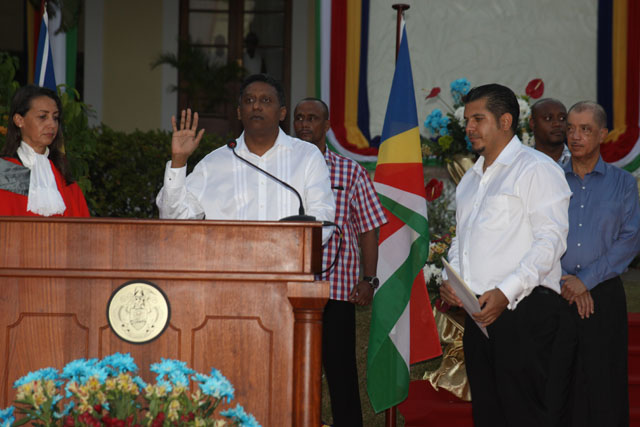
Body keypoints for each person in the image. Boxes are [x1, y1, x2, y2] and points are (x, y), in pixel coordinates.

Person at [439, 84, 574, 426]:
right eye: (467, 120)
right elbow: (462, 240)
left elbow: (550, 241)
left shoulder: (536, 168)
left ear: (505, 121)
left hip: (526, 310)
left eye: (478, 119)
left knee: (526, 415)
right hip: (479, 315)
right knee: (488, 413)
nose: (469, 127)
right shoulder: (471, 179)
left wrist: (506, 291)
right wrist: (453, 279)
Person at [293, 98, 386, 427]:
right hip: (289, 289)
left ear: (327, 125)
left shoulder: (350, 171)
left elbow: (368, 227)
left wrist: (369, 279)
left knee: (341, 373)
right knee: (291, 370)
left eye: (312, 118)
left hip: (336, 289)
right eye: (299, 118)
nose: (305, 124)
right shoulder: (279, 168)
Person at [156, 74, 335, 242]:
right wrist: (178, 161)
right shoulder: (213, 164)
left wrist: (286, 248)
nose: (256, 106)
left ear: (282, 113)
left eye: (265, 100)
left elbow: (322, 220)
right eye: (249, 100)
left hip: (289, 263)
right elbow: (174, 219)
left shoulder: (307, 156)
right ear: (239, 112)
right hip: (227, 263)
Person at [560, 101, 640, 427]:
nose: (575, 136)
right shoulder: (550, 179)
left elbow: (630, 239)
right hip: (556, 292)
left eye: (585, 129)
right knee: (559, 383)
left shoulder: (623, 183)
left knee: (605, 384)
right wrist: (564, 279)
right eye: (570, 128)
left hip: (604, 294)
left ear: (603, 134)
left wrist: (586, 281)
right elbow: (536, 235)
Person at [0, 85, 89, 217]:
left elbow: (83, 226)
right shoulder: (4, 172)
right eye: (43, 117)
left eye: (55, 117)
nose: (52, 125)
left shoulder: (64, 178)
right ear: (19, 120)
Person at [530, 98, 570, 165]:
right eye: (548, 118)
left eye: (562, 118)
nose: (557, 124)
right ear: (532, 123)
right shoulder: (522, 161)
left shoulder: (579, 159)